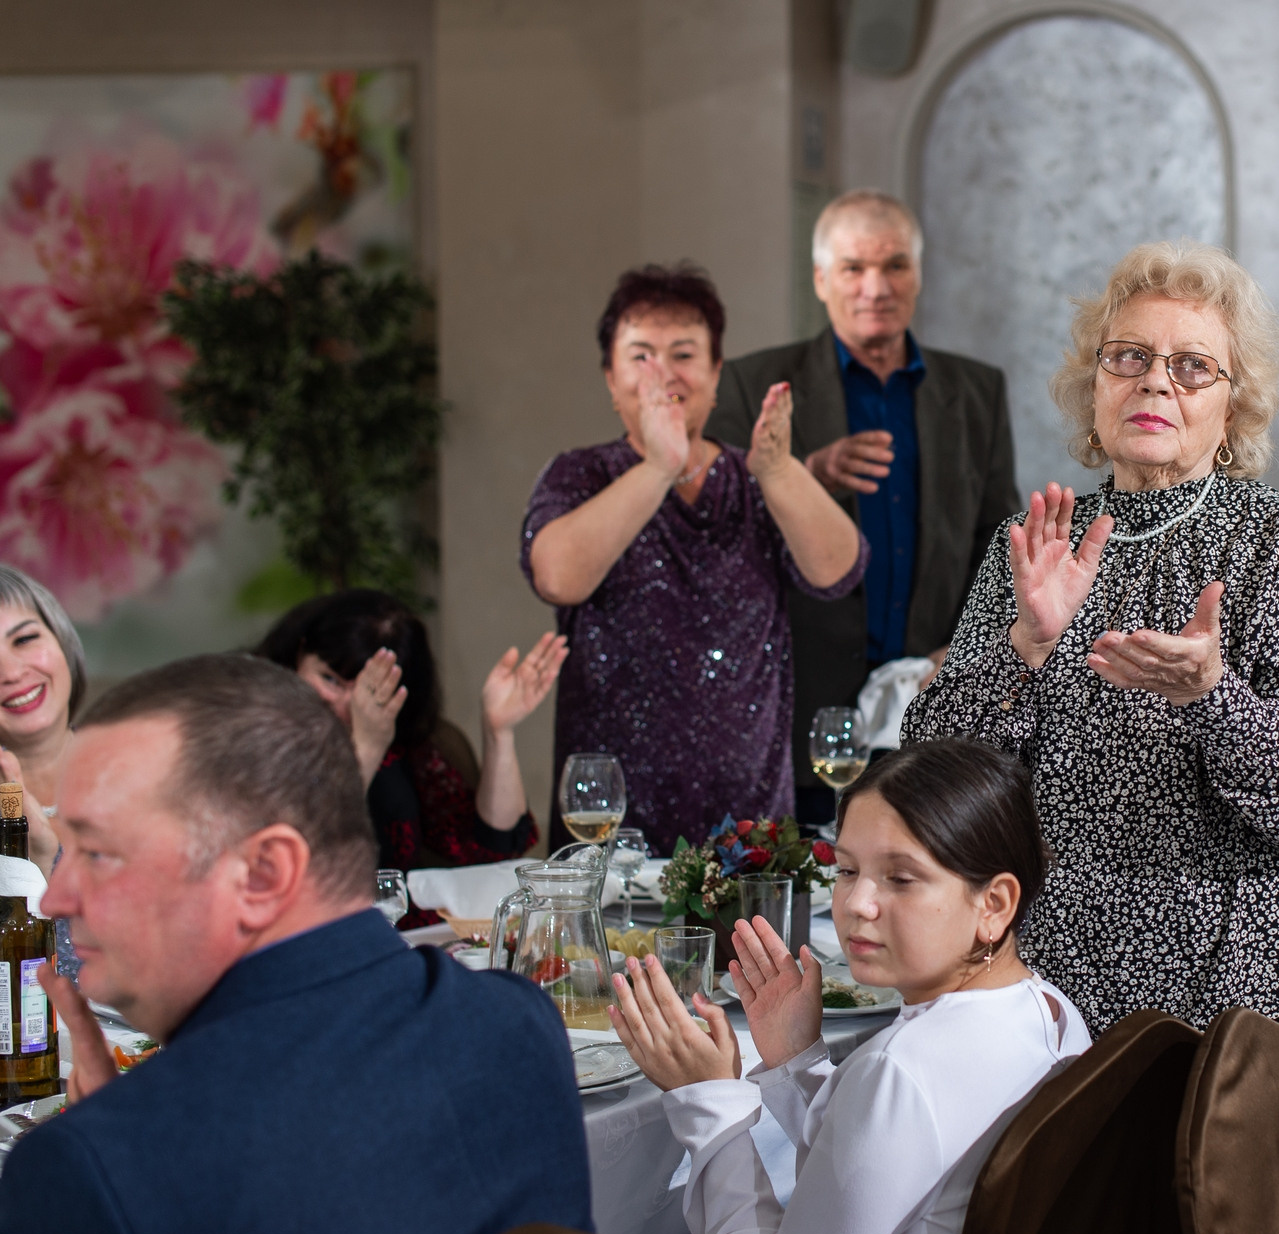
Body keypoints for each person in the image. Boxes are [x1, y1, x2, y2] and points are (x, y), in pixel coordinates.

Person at [901, 240, 1279, 1139]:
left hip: (1246, 996)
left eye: (1194, 367)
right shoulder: (1033, 540)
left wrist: (1214, 698)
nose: (1157, 382)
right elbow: (928, 780)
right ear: (1096, 384)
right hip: (1054, 989)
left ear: (1233, 408)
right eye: (1131, 357)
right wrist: (1024, 644)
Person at [0, 655, 590, 1234]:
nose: (54, 896)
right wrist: (133, 1133)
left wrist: (115, 1160)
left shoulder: (88, 1172)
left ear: (264, 871)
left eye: (95, 853)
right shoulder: (516, 1021)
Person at [608, 738, 1089, 1234]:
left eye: (901, 878)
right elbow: (895, 1173)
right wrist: (795, 1061)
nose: (858, 904)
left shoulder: (902, 1068)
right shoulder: (1051, 1011)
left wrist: (707, 1102)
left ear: (994, 903)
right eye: (847, 870)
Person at [524, 263, 867, 848]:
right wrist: (660, 465)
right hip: (611, 822)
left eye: (683, 354)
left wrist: (780, 470)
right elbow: (557, 576)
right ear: (611, 381)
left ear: (714, 375)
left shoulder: (754, 476)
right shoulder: (581, 473)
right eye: (640, 356)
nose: (663, 374)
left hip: (748, 830)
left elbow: (839, 571)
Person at [705, 191, 1020, 826]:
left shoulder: (976, 390)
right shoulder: (752, 384)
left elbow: (999, 545)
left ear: (918, 275)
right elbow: (718, 537)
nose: (875, 286)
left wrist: (964, 651)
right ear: (821, 280)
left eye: (895, 265)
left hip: (932, 713)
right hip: (796, 715)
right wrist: (806, 472)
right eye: (853, 268)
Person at [257, 590, 564, 888]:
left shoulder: (416, 747)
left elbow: (493, 851)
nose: (347, 706)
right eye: (330, 680)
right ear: (298, 654)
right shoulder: (256, 731)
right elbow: (299, 860)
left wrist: (499, 731)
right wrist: (367, 746)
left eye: (372, 690)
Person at [0, 562, 89, 876]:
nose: (11, 674)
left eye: (23, 640)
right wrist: (32, 868)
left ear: (61, 641)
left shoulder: (154, 768)